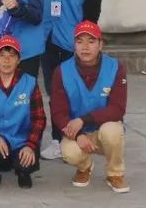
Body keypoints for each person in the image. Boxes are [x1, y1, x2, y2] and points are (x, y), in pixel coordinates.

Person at [22, 0, 102, 159]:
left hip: (73, 47)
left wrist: (86, 48)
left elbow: (92, 19)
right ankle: (58, 140)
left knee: (74, 93)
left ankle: (82, 137)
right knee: (54, 92)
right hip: (49, 42)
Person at [49, 20, 129, 194]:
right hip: (78, 132)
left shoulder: (116, 67)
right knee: (69, 152)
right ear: (74, 45)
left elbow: (118, 108)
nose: (85, 47)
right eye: (80, 41)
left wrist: (83, 120)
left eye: (91, 41)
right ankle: (84, 168)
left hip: (103, 129)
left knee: (113, 131)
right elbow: (57, 112)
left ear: (101, 44)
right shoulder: (62, 71)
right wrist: (77, 135)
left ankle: (115, 173)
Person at [0, 35, 44, 190]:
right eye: (2, 56)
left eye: (12, 56)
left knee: (25, 164)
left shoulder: (30, 83)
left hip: (22, 140)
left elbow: (39, 118)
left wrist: (30, 145)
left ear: (19, 60)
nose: (6, 61)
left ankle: (23, 172)